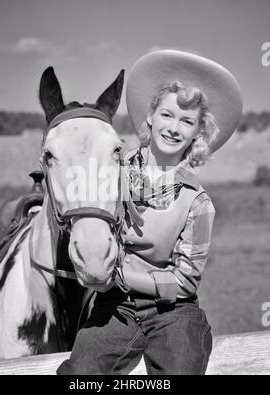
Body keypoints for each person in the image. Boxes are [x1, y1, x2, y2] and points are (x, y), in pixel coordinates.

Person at [57, 50, 243, 375]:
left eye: (187, 121)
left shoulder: (197, 203)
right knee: (79, 375)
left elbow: (185, 282)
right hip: (115, 305)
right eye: (167, 115)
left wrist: (120, 276)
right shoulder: (113, 168)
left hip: (173, 311)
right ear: (150, 117)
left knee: (181, 369)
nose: (174, 128)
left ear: (198, 134)